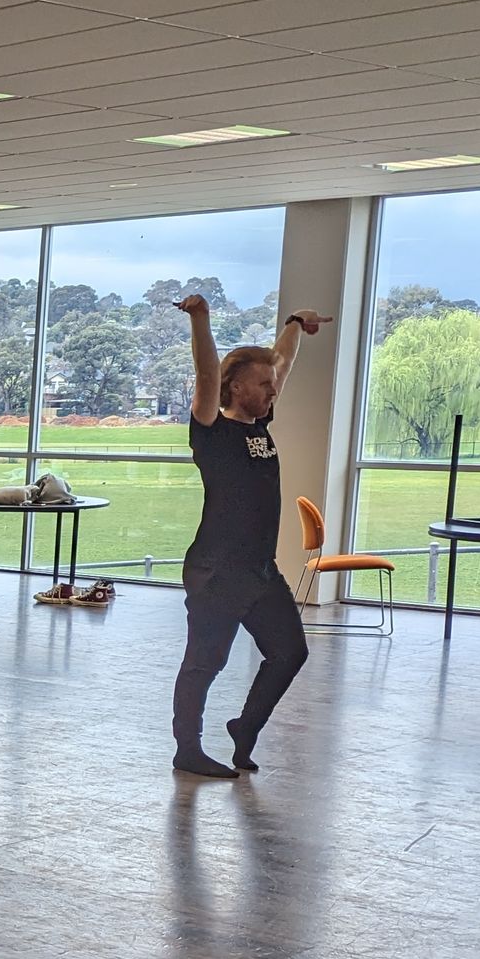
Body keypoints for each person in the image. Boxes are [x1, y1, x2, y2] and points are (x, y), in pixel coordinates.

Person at [172, 293, 324, 777]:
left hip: (259, 569)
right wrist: (201, 319)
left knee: (290, 652)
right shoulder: (212, 430)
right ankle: (188, 749)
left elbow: (282, 361)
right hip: (216, 570)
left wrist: (295, 323)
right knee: (205, 662)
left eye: (273, 385)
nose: (273, 391)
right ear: (235, 387)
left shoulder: (261, 425)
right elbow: (205, 375)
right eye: (263, 385)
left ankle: (245, 727)